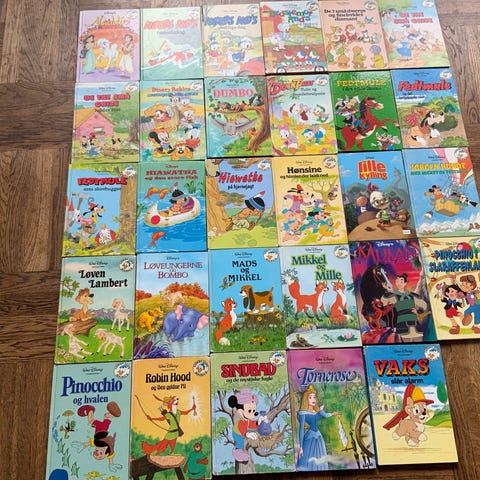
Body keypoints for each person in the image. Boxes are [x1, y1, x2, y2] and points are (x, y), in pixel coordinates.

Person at [297, 384, 340, 471]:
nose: (313, 399)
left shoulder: (318, 410)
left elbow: (325, 415)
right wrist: (301, 447)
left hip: (319, 436)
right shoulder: (303, 413)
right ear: (306, 399)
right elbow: (301, 430)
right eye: (310, 397)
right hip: (310, 438)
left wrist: (332, 414)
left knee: (320, 455)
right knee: (308, 457)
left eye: (314, 397)